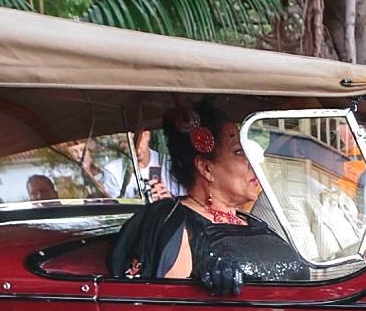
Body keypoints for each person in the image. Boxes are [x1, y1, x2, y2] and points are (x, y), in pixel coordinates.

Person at [108, 97, 266, 282]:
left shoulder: (253, 221)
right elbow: (169, 305)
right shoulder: (177, 225)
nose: (253, 163)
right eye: (239, 152)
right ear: (206, 168)